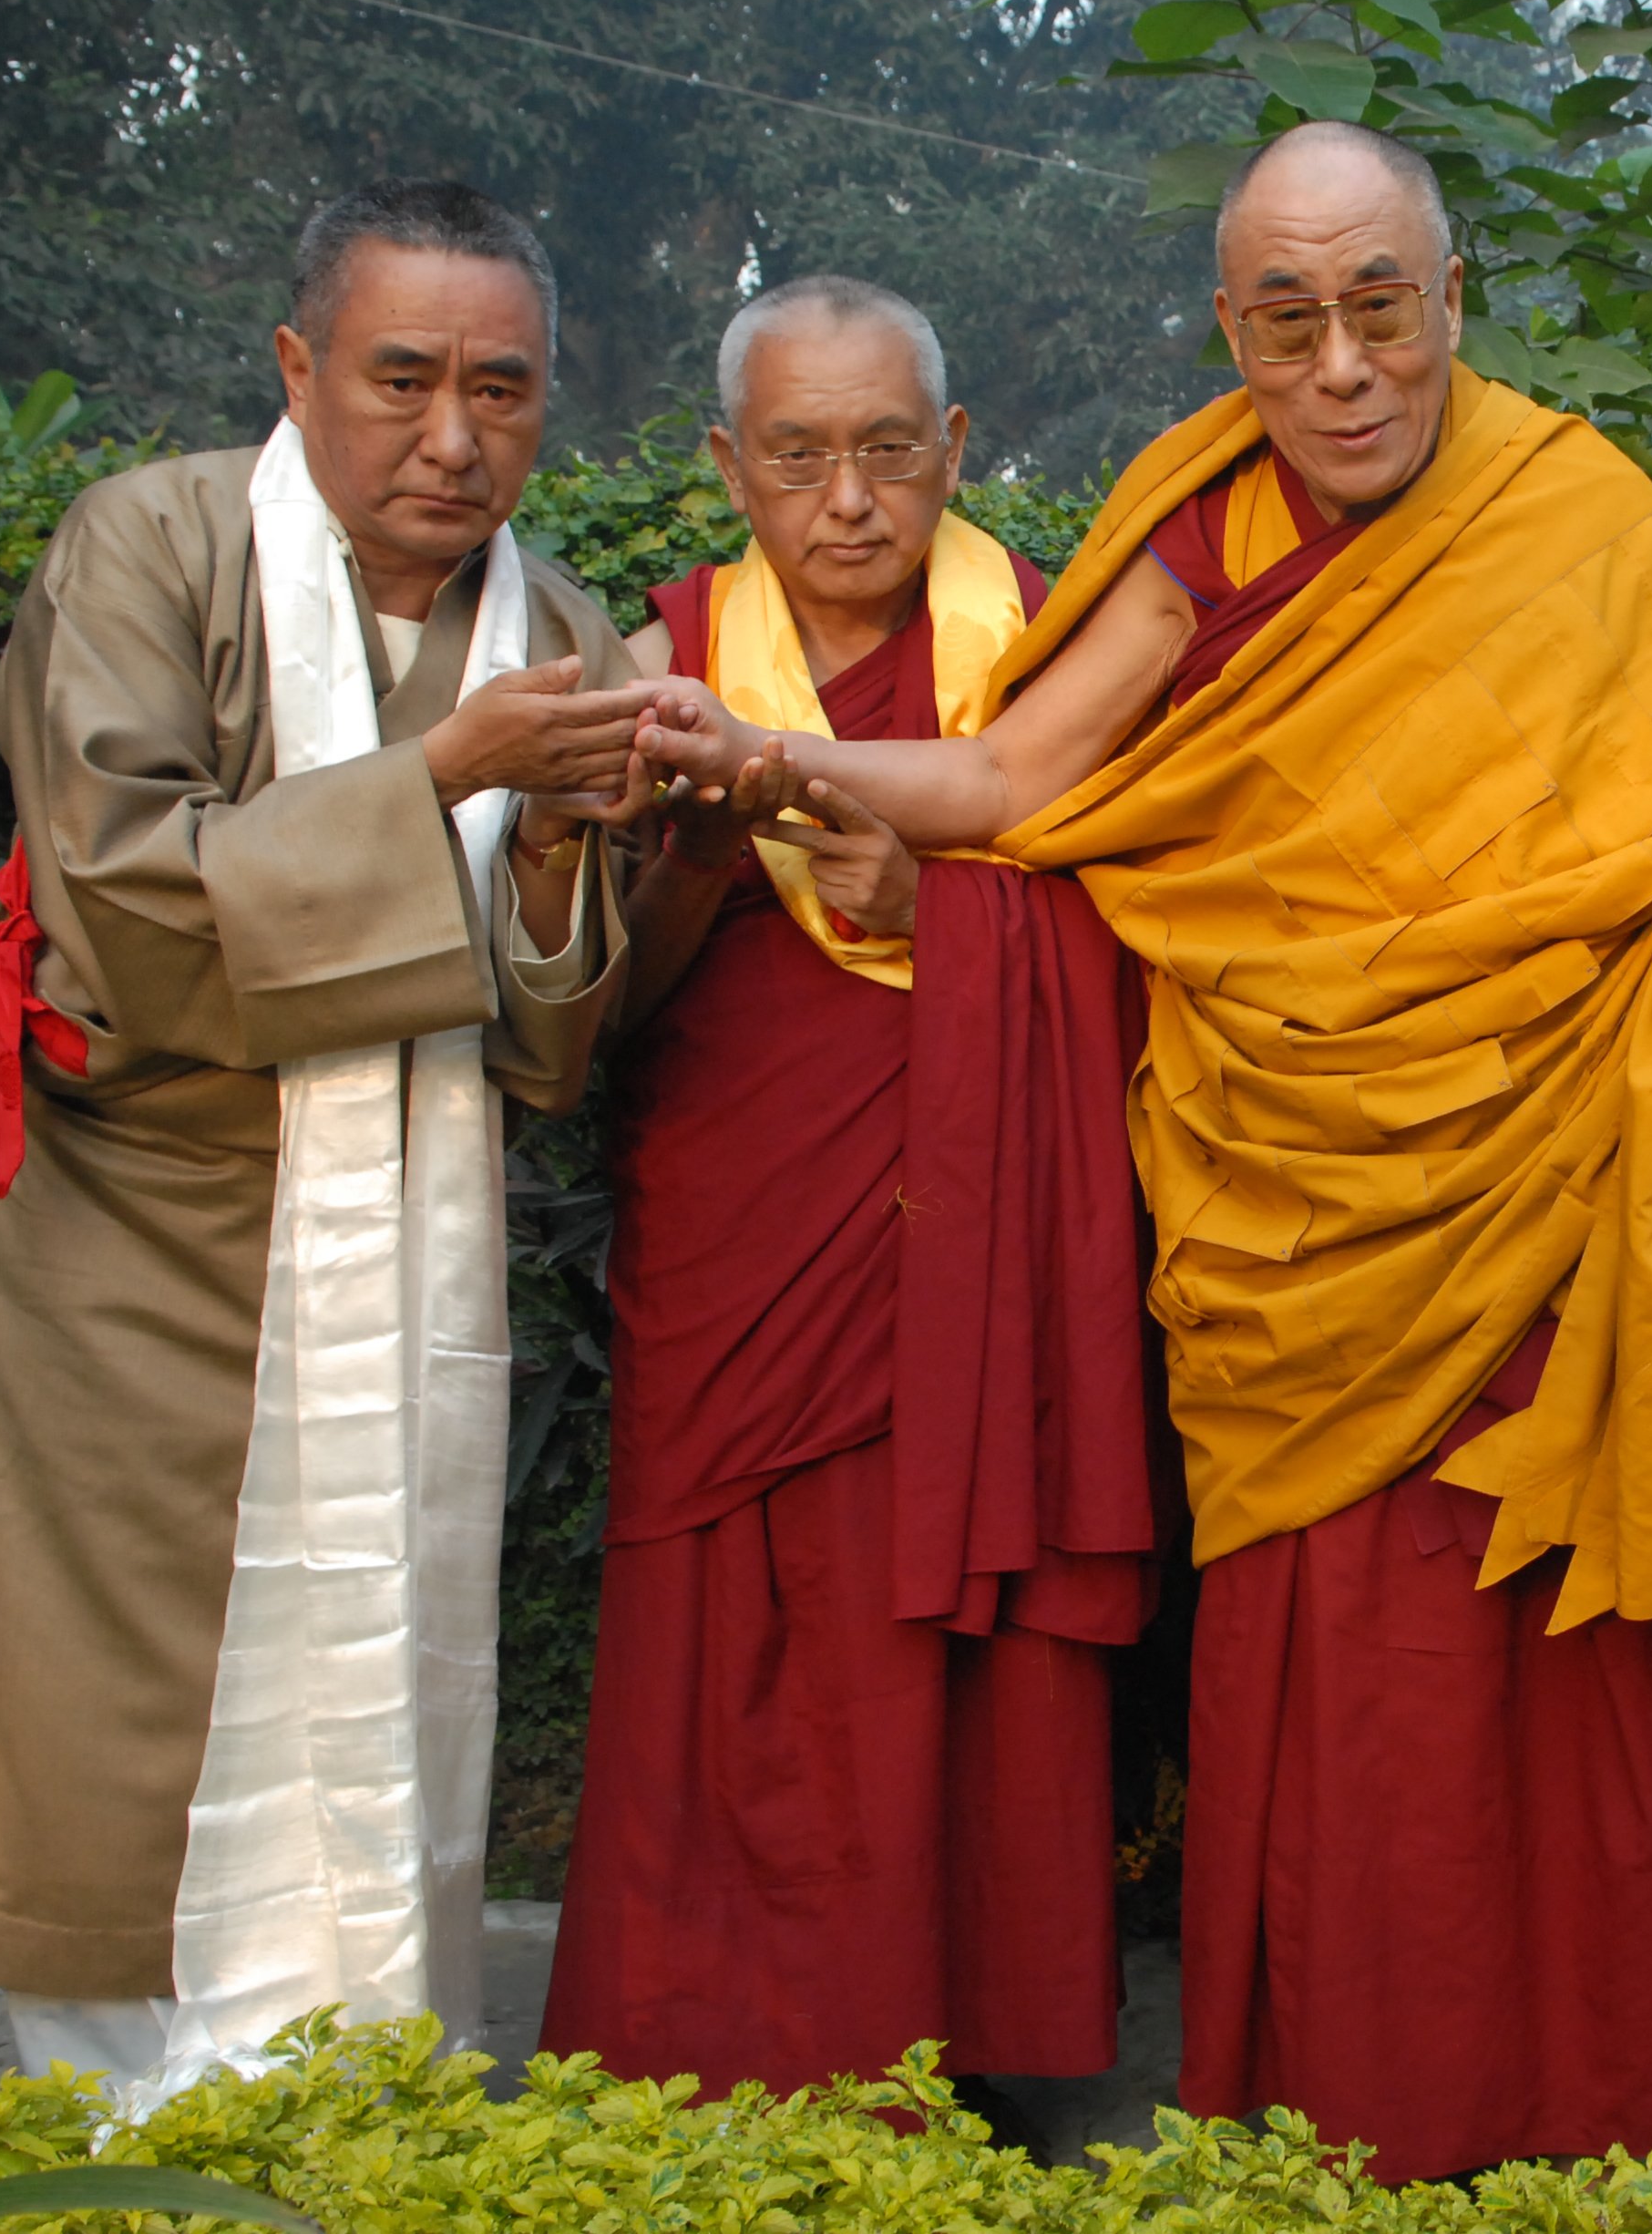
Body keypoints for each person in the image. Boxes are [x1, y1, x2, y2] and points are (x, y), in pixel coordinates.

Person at [634, 120, 1652, 2179]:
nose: (1346, 370)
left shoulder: (1580, 516)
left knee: (1574, 1699)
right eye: (1289, 323)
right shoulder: (1200, 527)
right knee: (1345, 1696)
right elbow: (1021, 775)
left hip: (1558, 1180)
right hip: (1301, 1208)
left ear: (1451, 302)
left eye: (1382, 310)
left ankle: (1614, 2134)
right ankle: (1339, 2137)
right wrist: (774, 753)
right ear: (1232, 331)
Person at [0, 179, 660, 2090]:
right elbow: (126, 905)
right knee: (109, 1691)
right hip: (135, 1245)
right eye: (401, 379)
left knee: (382, 1664)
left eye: (503, 389)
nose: (453, 438)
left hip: (408, 1248)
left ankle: (353, 2071)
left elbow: (555, 1044)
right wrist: (446, 781)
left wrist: (557, 855)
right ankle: (104, 2088)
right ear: (297, 368)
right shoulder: (146, 544)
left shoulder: (556, 625)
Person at [535, 278, 1154, 2101]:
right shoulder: (657, 664)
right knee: (728, 1621)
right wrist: (693, 869)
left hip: (981, 1260)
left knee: (954, 1632)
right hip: (739, 1238)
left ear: (957, 451)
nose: (852, 501)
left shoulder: (1048, 656)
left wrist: (952, 911)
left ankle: (973, 2040)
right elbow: (585, 1017)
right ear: (727, 465)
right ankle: (701, 2034)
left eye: (890, 450)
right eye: (798, 457)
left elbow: (1181, 942)